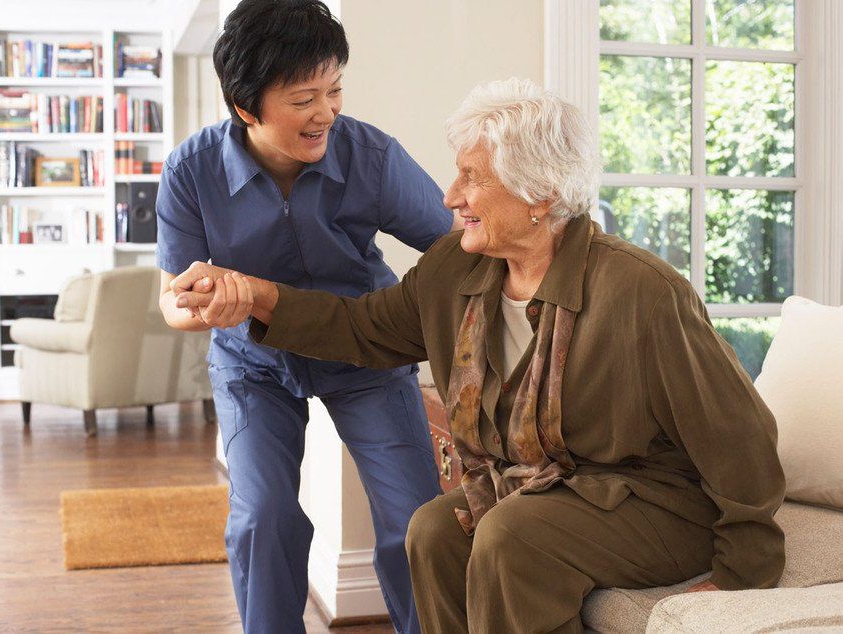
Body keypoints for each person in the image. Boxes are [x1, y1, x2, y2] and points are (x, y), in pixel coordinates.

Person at [173, 78, 786, 634]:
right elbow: (361, 328)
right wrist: (253, 295)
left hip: (654, 503)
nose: (448, 197)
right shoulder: (456, 270)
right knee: (433, 529)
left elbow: (737, 432)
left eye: (471, 178)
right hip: (547, 491)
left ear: (539, 194)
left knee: (511, 535)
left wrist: (741, 570)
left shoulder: (643, 292)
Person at [156, 1, 461, 632]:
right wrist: (209, 306)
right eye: (303, 98)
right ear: (246, 107)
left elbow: (457, 247)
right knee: (263, 516)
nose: (326, 112)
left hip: (365, 352)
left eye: (334, 89)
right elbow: (172, 302)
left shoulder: (371, 156)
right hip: (253, 366)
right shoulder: (192, 172)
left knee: (415, 522)